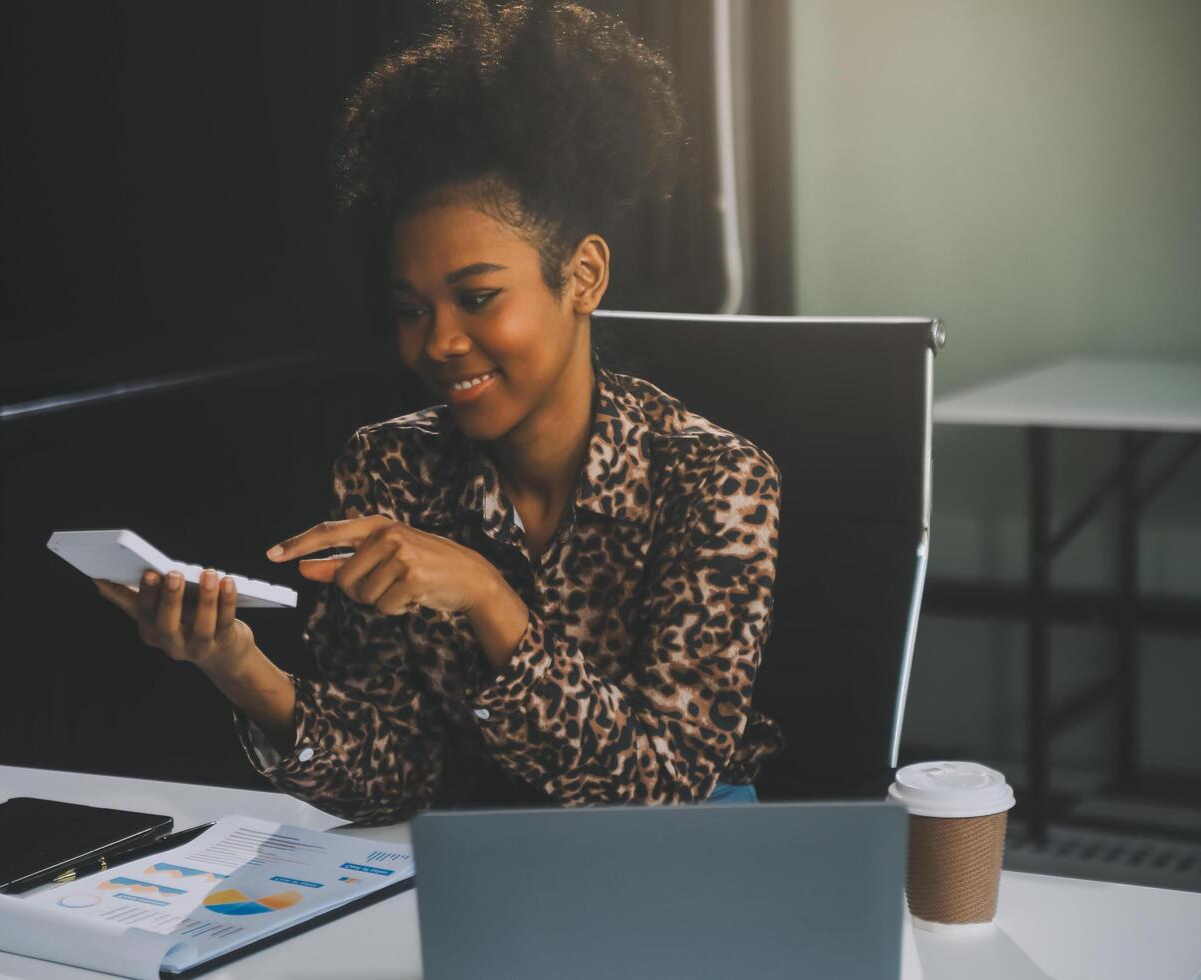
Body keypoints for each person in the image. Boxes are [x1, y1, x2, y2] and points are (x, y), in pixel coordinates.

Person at [95, 0, 781, 826]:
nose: (440, 342)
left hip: (684, 857)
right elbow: (394, 779)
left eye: (479, 297)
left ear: (585, 276)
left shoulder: (717, 480)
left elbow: (660, 786)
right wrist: (240, 668)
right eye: (412, 309)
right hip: (472, 845)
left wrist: (491, 600)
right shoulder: (389, 468)